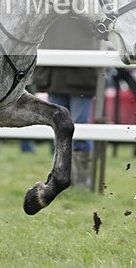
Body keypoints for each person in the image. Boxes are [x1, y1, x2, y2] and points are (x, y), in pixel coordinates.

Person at [31, 15, 102, 190]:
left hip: (78, 77)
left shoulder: (86, 10)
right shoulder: (53, 5)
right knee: (61, 131)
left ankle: (81, 182)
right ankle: (63, 179)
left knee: (80, 129)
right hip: (57, 76)